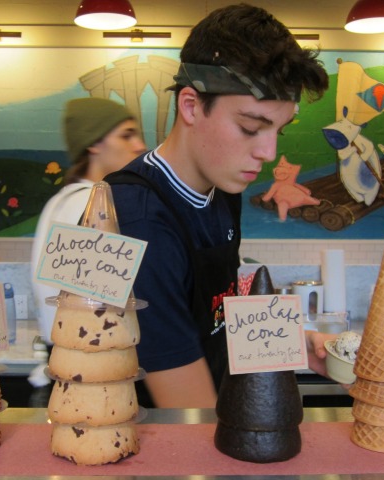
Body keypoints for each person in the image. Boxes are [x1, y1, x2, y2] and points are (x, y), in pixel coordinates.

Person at [106, 4, 331, 408]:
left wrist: (299, 342)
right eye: (250, 127)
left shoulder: (222, 189)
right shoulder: (136, 219)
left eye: (279, 129)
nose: (268, 152)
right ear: (190, 106)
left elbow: (217, 319)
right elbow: (187, 408)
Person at [30, 97, 146, 348]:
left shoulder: (61, 201)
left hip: (65, 357)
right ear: (94, 143)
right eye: (127, 136)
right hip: (91, 369)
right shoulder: (95, 208)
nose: (140, 146)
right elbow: (100, 315)